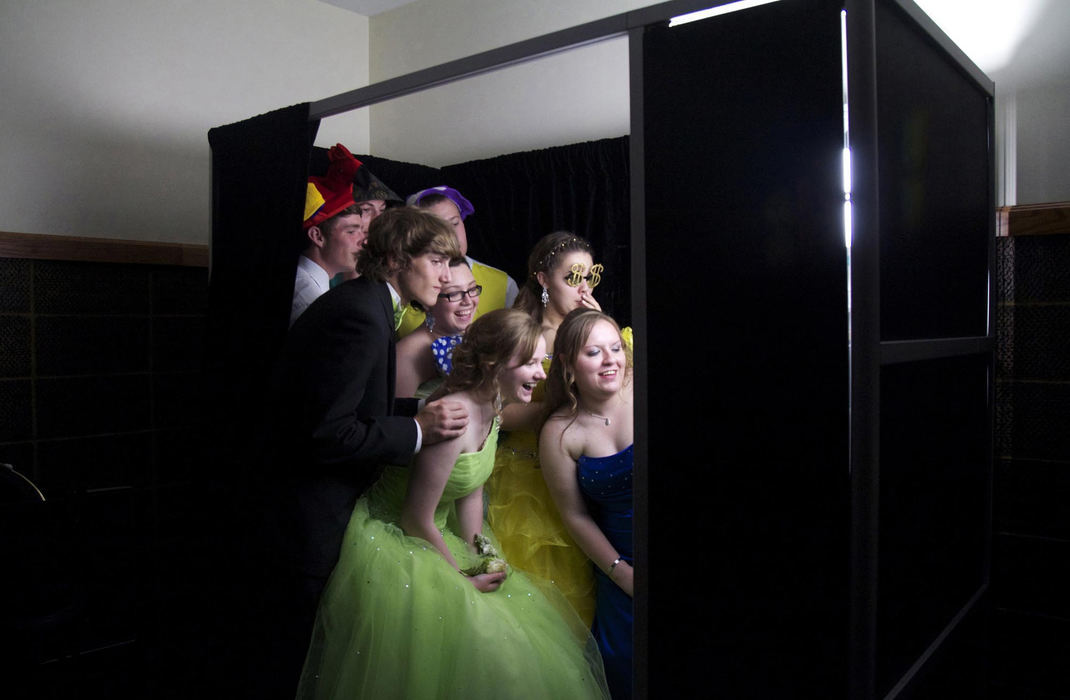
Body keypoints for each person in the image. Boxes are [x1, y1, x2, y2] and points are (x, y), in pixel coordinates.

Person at [295, 309, 610, 700]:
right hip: (400, 537)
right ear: (494, 365)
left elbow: (471, 490)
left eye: (541, 361)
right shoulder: (454, 417)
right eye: (529, 363)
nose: (541, 374)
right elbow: (416, 518)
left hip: (437, 532)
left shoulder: (493, 405)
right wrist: (460, 580)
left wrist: (481, 549)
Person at [261, 207, 471, 697]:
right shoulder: (360, 316)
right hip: (305, 520)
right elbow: (328, 434)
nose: (446, 277)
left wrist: (423, 408)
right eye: (437, 261)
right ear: (398, 257)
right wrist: (417, 429)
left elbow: (357, 404)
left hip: (307, 511)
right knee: (294, 660)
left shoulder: (370, 302)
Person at [485, 231, 611, 626]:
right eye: (572, 277)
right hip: (527, 481)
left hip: (587, 477)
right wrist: (560, 411)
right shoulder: (524, 334)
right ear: (542, 279)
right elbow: (495, 414)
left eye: (590, 277)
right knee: (539, 607)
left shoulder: (593, 331)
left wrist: (598, 329)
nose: (583, 287)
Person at [539, 308, 634, 700]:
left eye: (616, 348)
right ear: (567, 364)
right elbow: (575, 515)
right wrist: (620, 572)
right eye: (594, 352)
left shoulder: (646, 395)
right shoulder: (560, 432)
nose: (610, 359)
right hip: (619, 566)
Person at [397, 186, 519, 336]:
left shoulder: (504, 284)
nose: (451, 235)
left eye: (455, 223)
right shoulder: (401, 286)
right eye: (438, 227)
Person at [291, 143, 367, 326]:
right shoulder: (309, 297)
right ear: (317, 236)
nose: (363, 241)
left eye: (361, 230)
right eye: (351, 231)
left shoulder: (312, 284)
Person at [395, 258, 481, 399]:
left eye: (472, 289)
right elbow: (393, 417)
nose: (468, 301)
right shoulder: (408, 354)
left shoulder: (475, 336)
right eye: (453, 294)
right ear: (427, 300)